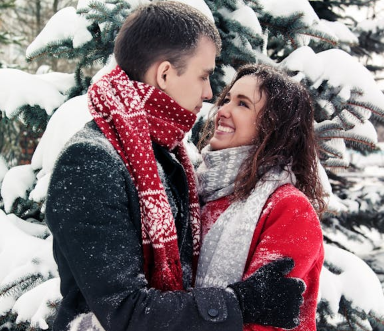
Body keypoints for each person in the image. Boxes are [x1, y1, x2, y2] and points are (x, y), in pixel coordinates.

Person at [45, 3, 305, 331]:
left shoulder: (164, 156)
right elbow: (123, 312)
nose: (211, 93)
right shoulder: (91, 162)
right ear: (165, 74)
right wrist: (240, 302)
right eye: (204, 75)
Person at [195, 64, 325, 331]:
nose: (223, 111)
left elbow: (264, 321)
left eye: (242, 104)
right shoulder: (199, 190)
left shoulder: (289, 208)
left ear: (272, 127)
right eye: (227, 99)